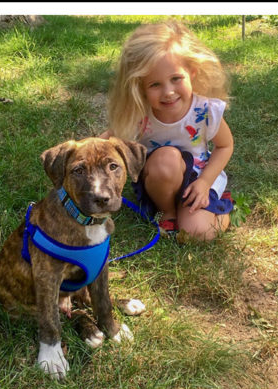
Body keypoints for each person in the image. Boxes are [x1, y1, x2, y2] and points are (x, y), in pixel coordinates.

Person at [100, 20, 235, 242]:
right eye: (155, 85)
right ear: (140, 87)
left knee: (197, 233)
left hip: (197, 178)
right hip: (159, 179)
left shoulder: (205, 110)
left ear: (191, 73)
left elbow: (225, 145)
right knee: (166, 159)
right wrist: (85, 149)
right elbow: (110, 138)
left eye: (176, 79)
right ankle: (168, 211)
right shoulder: (140, 113)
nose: (168, 92)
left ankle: (221, 206)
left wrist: (204, 183)